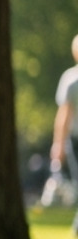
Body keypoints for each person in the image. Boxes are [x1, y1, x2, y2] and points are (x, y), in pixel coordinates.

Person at [47, 34, 78, 220]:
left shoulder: (71, 78)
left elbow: (64, 116)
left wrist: (58, 144)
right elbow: (65, 115)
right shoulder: (71, 80)